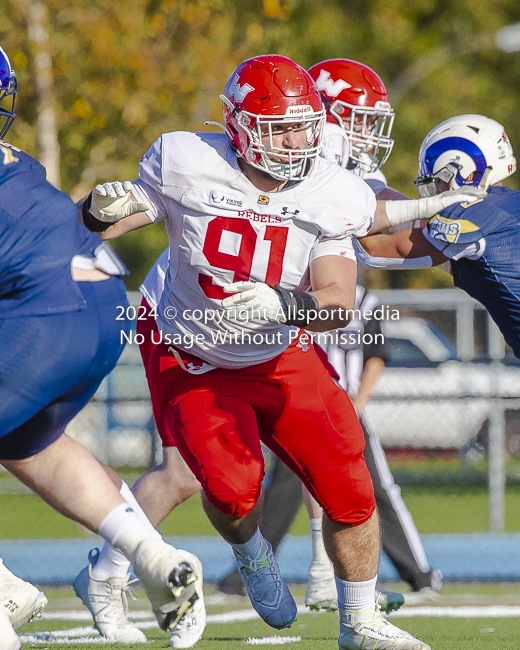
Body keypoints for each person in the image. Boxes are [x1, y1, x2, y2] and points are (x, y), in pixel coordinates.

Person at [78, 55, 485, 649]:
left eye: (304, 126)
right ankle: (249, 552)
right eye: (278, 128)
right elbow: (107, 221)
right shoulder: (188, 160)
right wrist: (99, 207)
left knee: (349, 478)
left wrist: (286, 306)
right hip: (193, 349)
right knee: (231, 489)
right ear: (238, 125)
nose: (294, 141)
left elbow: (339, 299)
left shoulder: (332, 188)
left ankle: (361, 622)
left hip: (278, 346)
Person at [215, 59, 440, 610]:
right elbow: (386, 243)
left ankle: (322, 574)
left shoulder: (323, 166)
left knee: (324, 455)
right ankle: (119, 567)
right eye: (358, 120)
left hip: (279, 322)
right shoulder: (314, 161)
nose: (367, 134)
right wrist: (463, 228)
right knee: (195, 472)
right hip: (226, 322)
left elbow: (373, 240)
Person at [0, 45, 202, 649]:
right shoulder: (18, 162)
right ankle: (153, 554)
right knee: (31, 447)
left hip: (43, 314)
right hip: (104, 304)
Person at [354, 113, 520, 364]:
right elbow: (420, 225)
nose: (437, 193)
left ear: (463, 169)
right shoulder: (506, 208)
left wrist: (342, 199)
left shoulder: (474, 215)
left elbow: (373, 251)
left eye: (439, 182)